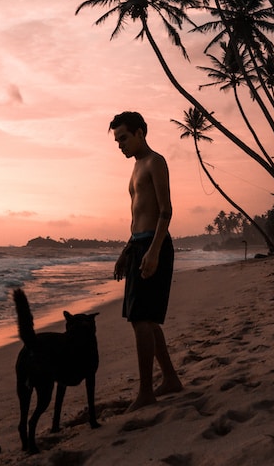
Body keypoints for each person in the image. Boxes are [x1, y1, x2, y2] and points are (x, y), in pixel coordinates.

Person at [109, 111, 183, 410]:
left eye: (124, 138)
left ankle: (145, 392)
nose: (120, 145)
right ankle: (170, 379)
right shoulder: (136, 167)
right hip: (139, 245)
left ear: (140, 133)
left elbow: (165, 211)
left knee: (141, 319)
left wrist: (153, 251)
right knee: (145, 320)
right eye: (117, 141)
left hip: (155, 245)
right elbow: (137, 215)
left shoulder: (155, 162)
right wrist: (127, 251)